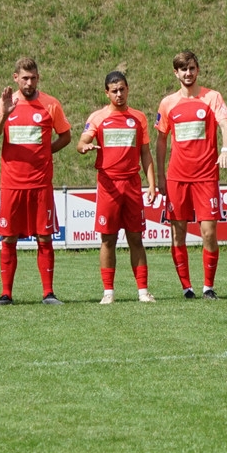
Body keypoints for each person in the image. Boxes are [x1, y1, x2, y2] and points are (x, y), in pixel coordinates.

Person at [0, 58, 72, 306]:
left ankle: (48, 293)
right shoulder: (5, 103)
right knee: (8, 238)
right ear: (15, 78)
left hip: (40, 184)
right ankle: (6, 294)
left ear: (38, 78)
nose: (29, 83)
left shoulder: (50, 104)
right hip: (12, 184)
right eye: (25, 78)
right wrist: (4, 114)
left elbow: (65, 136)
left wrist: (45, 152)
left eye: (33, 78)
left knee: (44, 237)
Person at [155, 51, 227, 300]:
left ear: (197, 70)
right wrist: (160, 176)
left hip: (206, 176)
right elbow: (161, 140)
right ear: (175, 73)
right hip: (177, 177)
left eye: (191, 68)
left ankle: (208, 287)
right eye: (183, 69)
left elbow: (225, 124)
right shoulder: (168, 103)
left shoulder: (212, 97)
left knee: (209, 232)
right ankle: (186, 287)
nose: (188, 73)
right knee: (178, 233)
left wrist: (225, 149)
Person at [77, 71, 156, 303]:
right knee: (108, 239)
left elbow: (145, 153)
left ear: (128, 89)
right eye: (114, 91)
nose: (119, 94)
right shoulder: (98, 117)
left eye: (122, 89)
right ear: (107, 93)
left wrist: (152, 184)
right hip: (108, 185)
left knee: (136, 238)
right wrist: (84, 147)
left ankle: (143, 292)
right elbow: (82, 141)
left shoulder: (138, 118)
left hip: (132, 184)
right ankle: (108, 292)